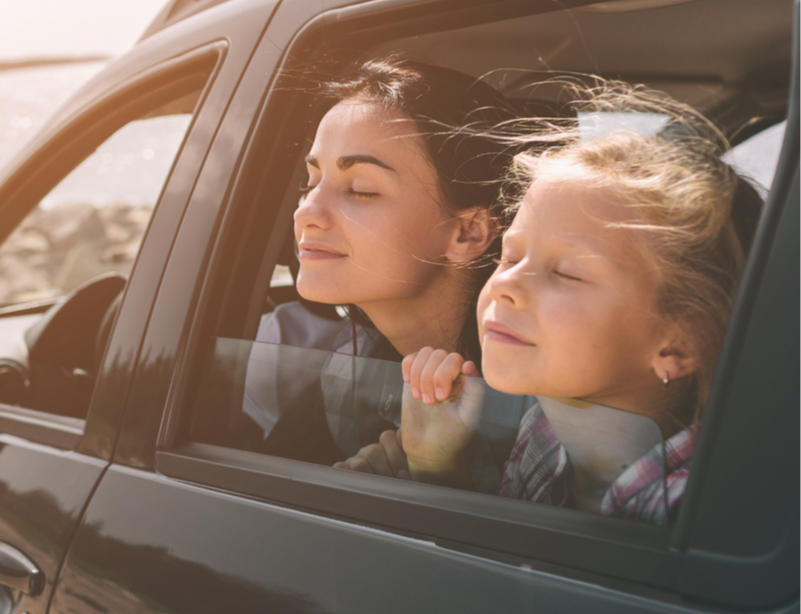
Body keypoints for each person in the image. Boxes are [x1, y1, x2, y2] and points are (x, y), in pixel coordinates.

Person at [338, 85, 762, 524]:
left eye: (567, 273)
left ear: (680, 344)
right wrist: (434, 468)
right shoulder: (544, 435)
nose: (505, 284)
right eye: (511, 255)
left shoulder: (704, 517)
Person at [244, 55, 529, 463]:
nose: (305, 211)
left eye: (360, 188)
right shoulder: (348, 374)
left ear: (469, 232)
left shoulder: (542, 413)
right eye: (311, 182)